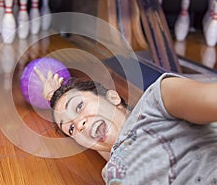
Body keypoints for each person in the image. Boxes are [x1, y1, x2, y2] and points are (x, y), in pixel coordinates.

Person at [34, 67, 217, 184]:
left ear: (113, 97)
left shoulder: (157, 100)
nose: (78, 124)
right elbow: (104, 138)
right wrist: (54, 97)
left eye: (79, 106)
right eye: (71, 129)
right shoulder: (113, 164)